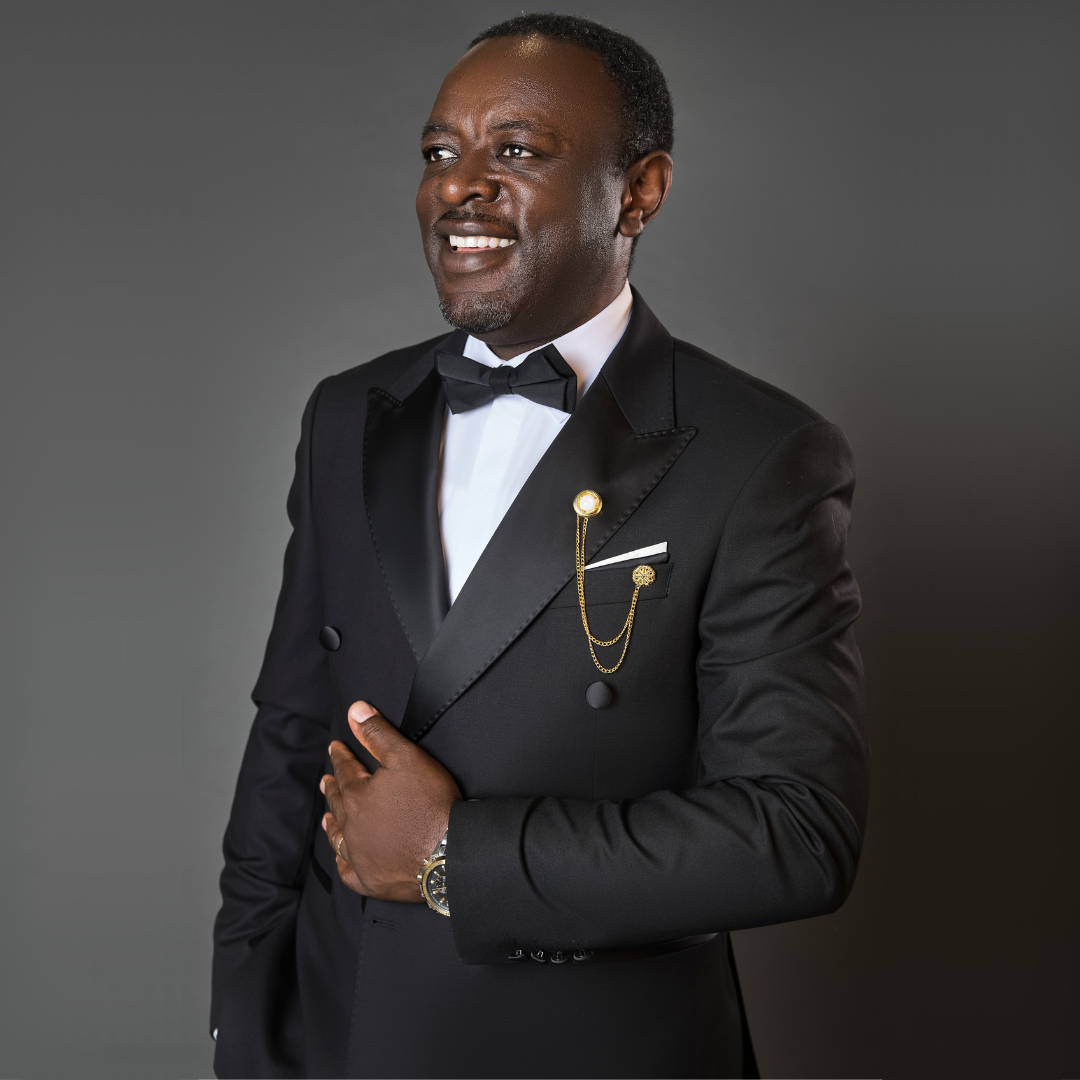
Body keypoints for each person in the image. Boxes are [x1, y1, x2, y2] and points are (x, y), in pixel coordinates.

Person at [210, 13, 869, 1079]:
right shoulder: (347, 414)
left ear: (640, 191)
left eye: (516, 151)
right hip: (342, 1036)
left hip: (593, 1049)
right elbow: (289, 736)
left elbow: (796, 834)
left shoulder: (760, 453)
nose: (459, 186)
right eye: (440, 152)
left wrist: (451, 857)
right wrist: (245, 1021)